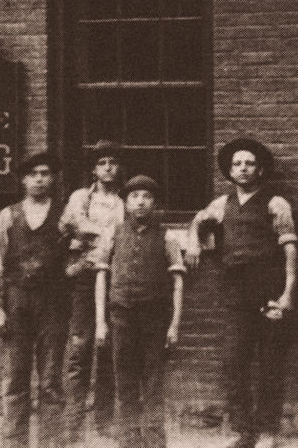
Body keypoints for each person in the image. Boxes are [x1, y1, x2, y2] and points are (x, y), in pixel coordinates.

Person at [186, 138, 297, 448]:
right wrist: (194, 240)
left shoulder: (276, 203)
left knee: (269, 364)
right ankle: (242, 430)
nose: (243, 168)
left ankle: (268, 432)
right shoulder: (222, 204)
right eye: (237, 164)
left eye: (249, 163)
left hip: (269, 289)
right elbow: (198, 219)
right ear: (230, 170)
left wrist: (288, 293)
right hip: (235, 292)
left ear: (259, 169)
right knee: (234, 362)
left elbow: (290, 250)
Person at [96, 175, 185, 448]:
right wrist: (101, 321)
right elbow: (101, 275)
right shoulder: (113, 233)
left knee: (153, 381)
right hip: (121, 316)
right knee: (124, 381)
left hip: (154, 318)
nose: (140, 202)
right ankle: (129, 441)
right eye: (134, 196)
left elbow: (178, 283)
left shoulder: (167, 236)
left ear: (154, 202)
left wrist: (174, 325)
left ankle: (155, 442)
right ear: (126, 201)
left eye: (146, 196)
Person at [0, 152, 72, 448]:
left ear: (53, 178)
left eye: (45, 173)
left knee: (50, 378)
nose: (39, 178)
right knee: (15, 378)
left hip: (53, 303)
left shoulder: (66, 215)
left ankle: (51, 443)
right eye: (33, 174)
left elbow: (89, 247)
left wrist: (72, 269)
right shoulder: (8, 215)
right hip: (16, 302)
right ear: (23, 179)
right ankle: (14, 443)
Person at [60, 140, 122, 445]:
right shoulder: (81, 197)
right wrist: (102, 235)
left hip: (115, 278)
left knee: (109, 347)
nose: (108, 167)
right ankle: (73, 424)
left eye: (112, 162)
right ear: (94, 169)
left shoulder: (124, 202)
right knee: (80, 347)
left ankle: (104, 421)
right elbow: (71, 224)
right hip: (84, 277)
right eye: (102, 163)